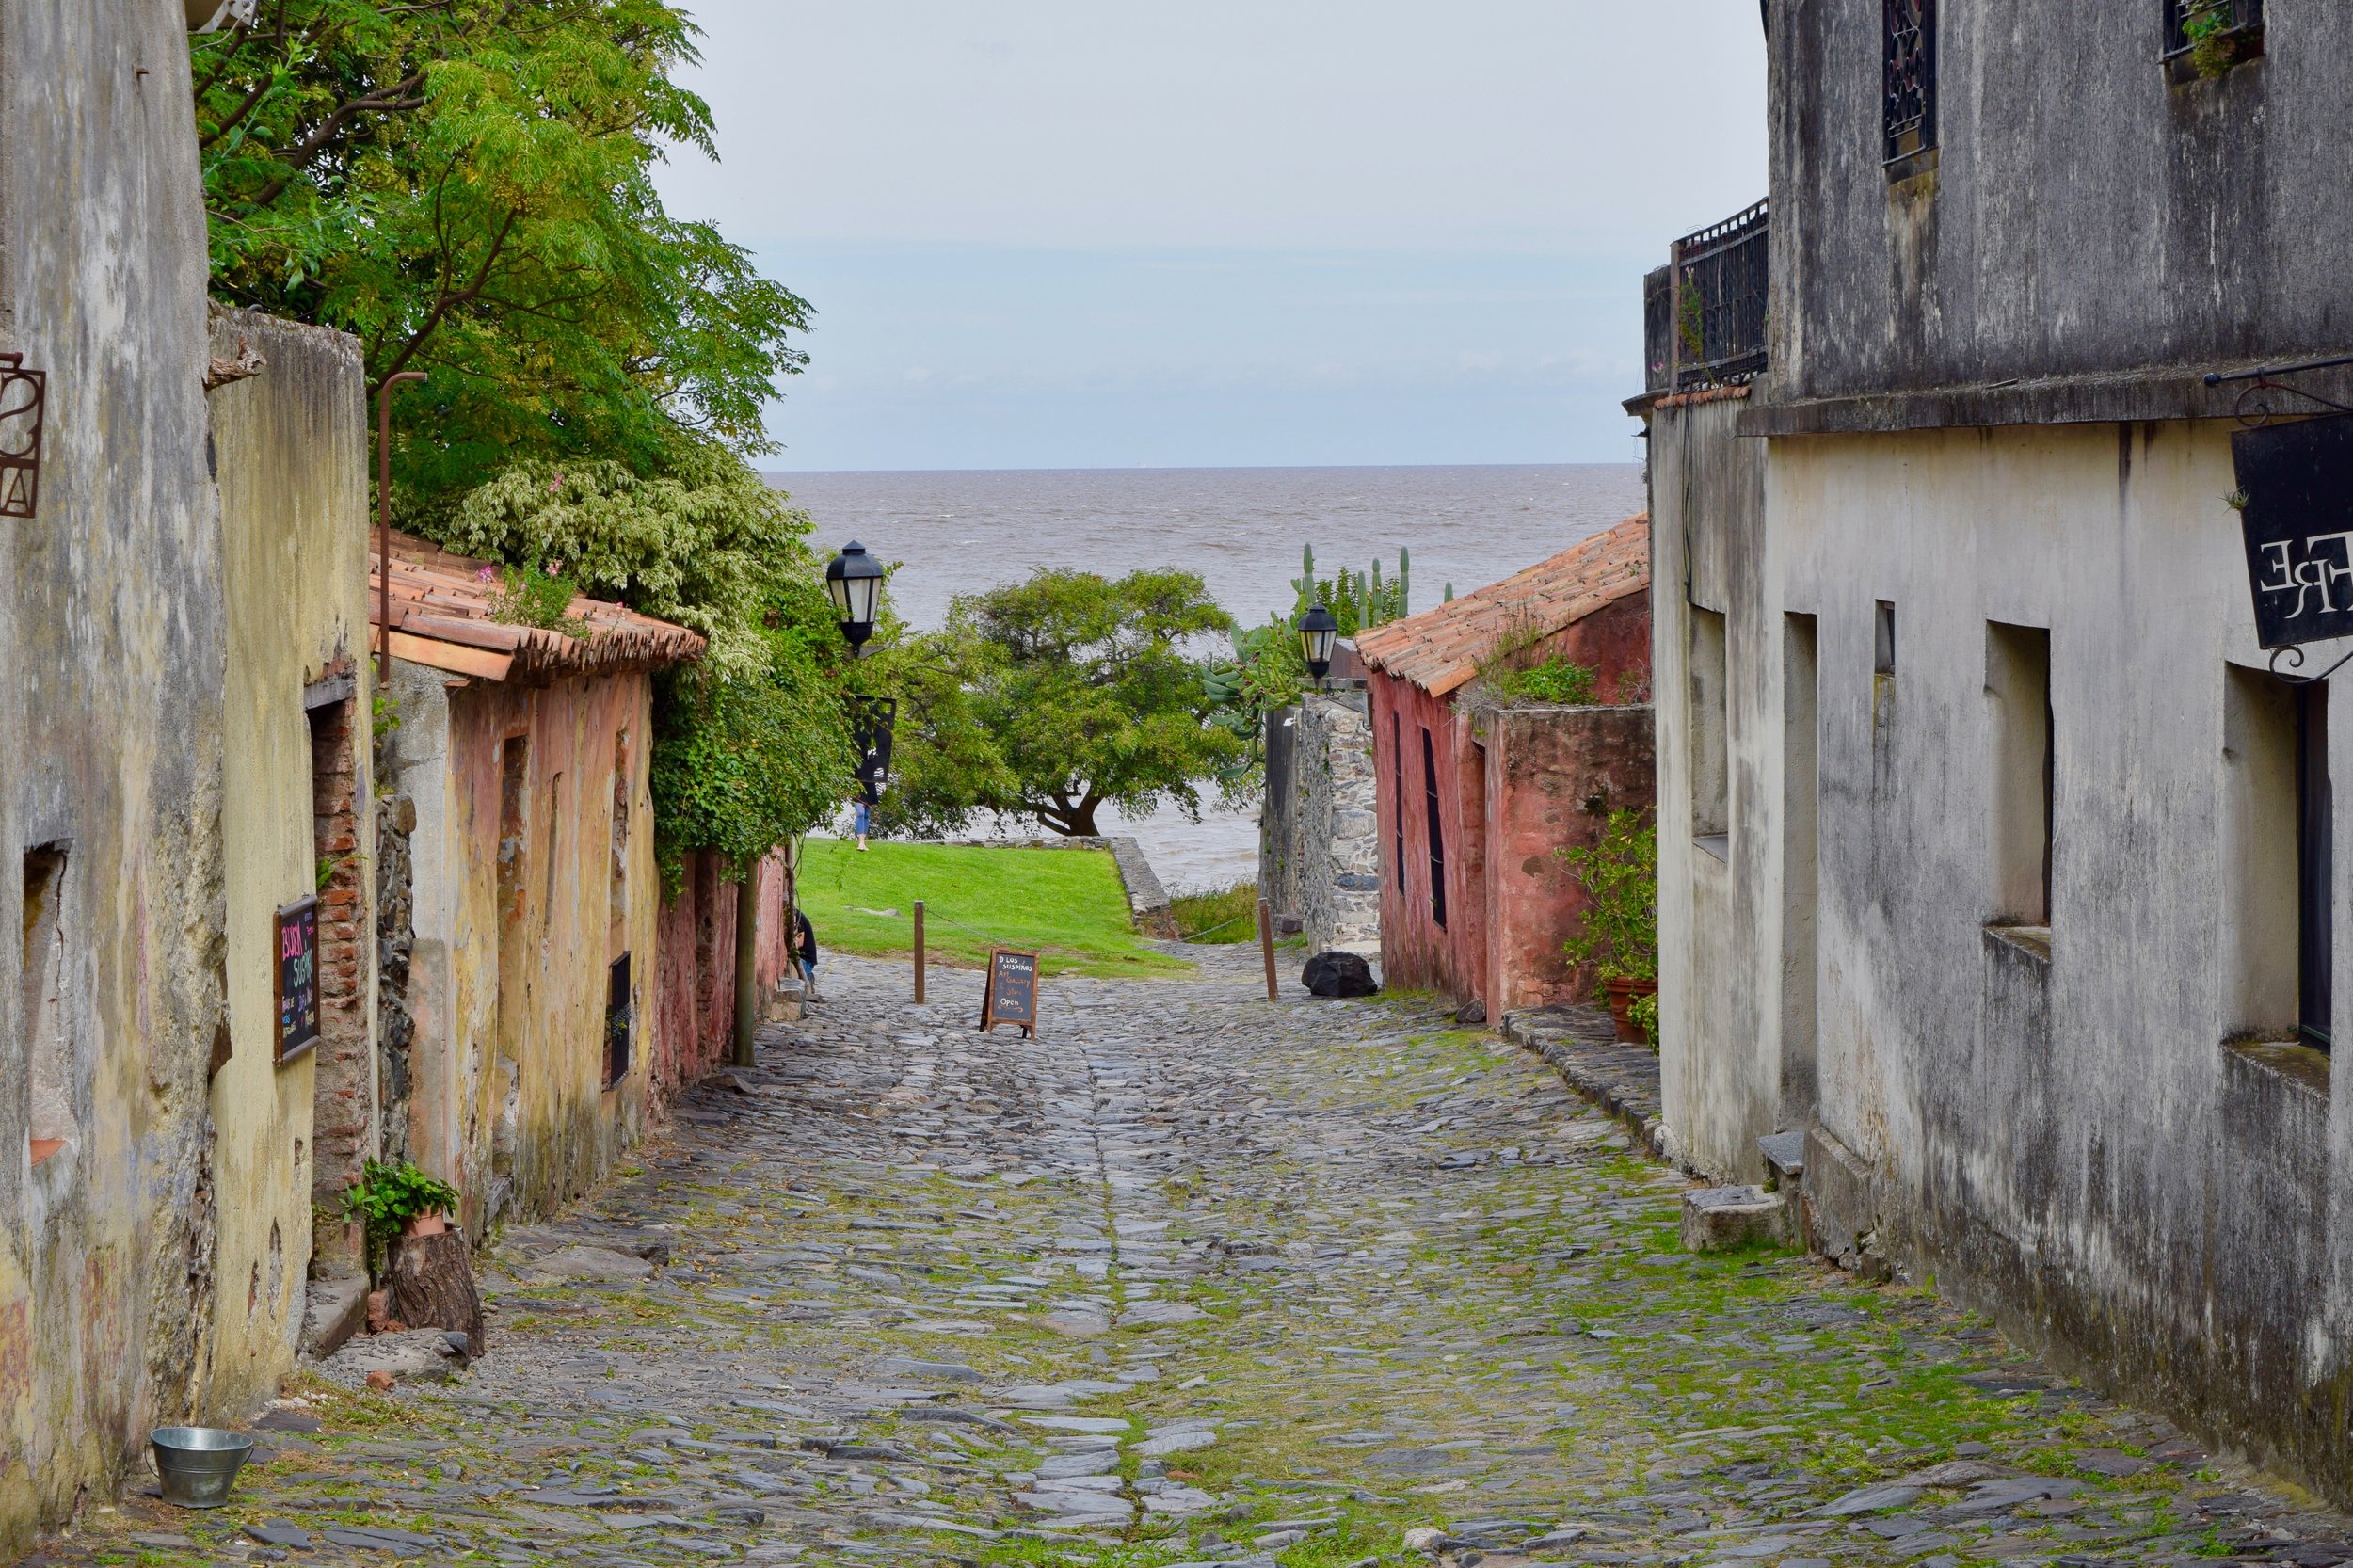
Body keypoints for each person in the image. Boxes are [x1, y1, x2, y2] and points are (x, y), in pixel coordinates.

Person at [794, 907, 820, 1001]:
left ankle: (808, 978)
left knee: (796, 979)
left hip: (806, 959)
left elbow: (799, 943)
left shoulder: (796, 917)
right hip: (802, 957)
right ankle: (808, 977)